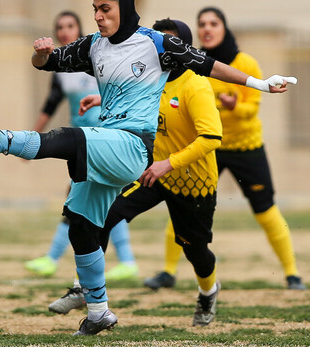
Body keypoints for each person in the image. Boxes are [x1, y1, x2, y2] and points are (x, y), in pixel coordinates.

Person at [0, 0, 296, 336]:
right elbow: (47, 63)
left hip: (136, 150)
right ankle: (98, 312)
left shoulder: (158, 45)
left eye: (105, 8)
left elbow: (209, 66)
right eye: (95, 9)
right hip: (127, 156)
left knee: (73, 140)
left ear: (126, 7)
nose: (98, 16)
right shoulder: (94, 46)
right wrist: (41, 53)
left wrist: (260, 84)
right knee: (81, 225)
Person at [145, 7, 305, 291]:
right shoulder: (193, 64)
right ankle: (168, 272)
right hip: (205, 148)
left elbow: (251, 110)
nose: (207, 28)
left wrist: (235, 106)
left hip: (246, 146)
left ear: (224, 27)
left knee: (266, 210)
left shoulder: (246, 63)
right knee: (181, 204)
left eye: (213, 23)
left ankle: (292, 275)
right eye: (202, 24)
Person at [86, 18, 223, 326]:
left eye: (170, 43)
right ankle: (88, 290)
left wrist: (169, 163)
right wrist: (101, 98)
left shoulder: (196, 84)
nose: (162, 49)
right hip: (152, 174)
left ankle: (208, 292)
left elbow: (212, 137)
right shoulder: (150, 77)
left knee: (196, 252)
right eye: (159, 42)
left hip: (192, 182)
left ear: (184, 48)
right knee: (102, 215)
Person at [24, 11, 138, 284]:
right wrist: (30, 140)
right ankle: (127, 261)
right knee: (103, 203)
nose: (65, 31)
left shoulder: (96, 56)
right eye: (59, 26)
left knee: (81, 201)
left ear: (79, 28)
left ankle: (53, 259)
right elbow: (50, 105)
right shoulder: (60, 69)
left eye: (70, 25)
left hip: (104, 140)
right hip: (80, 142)